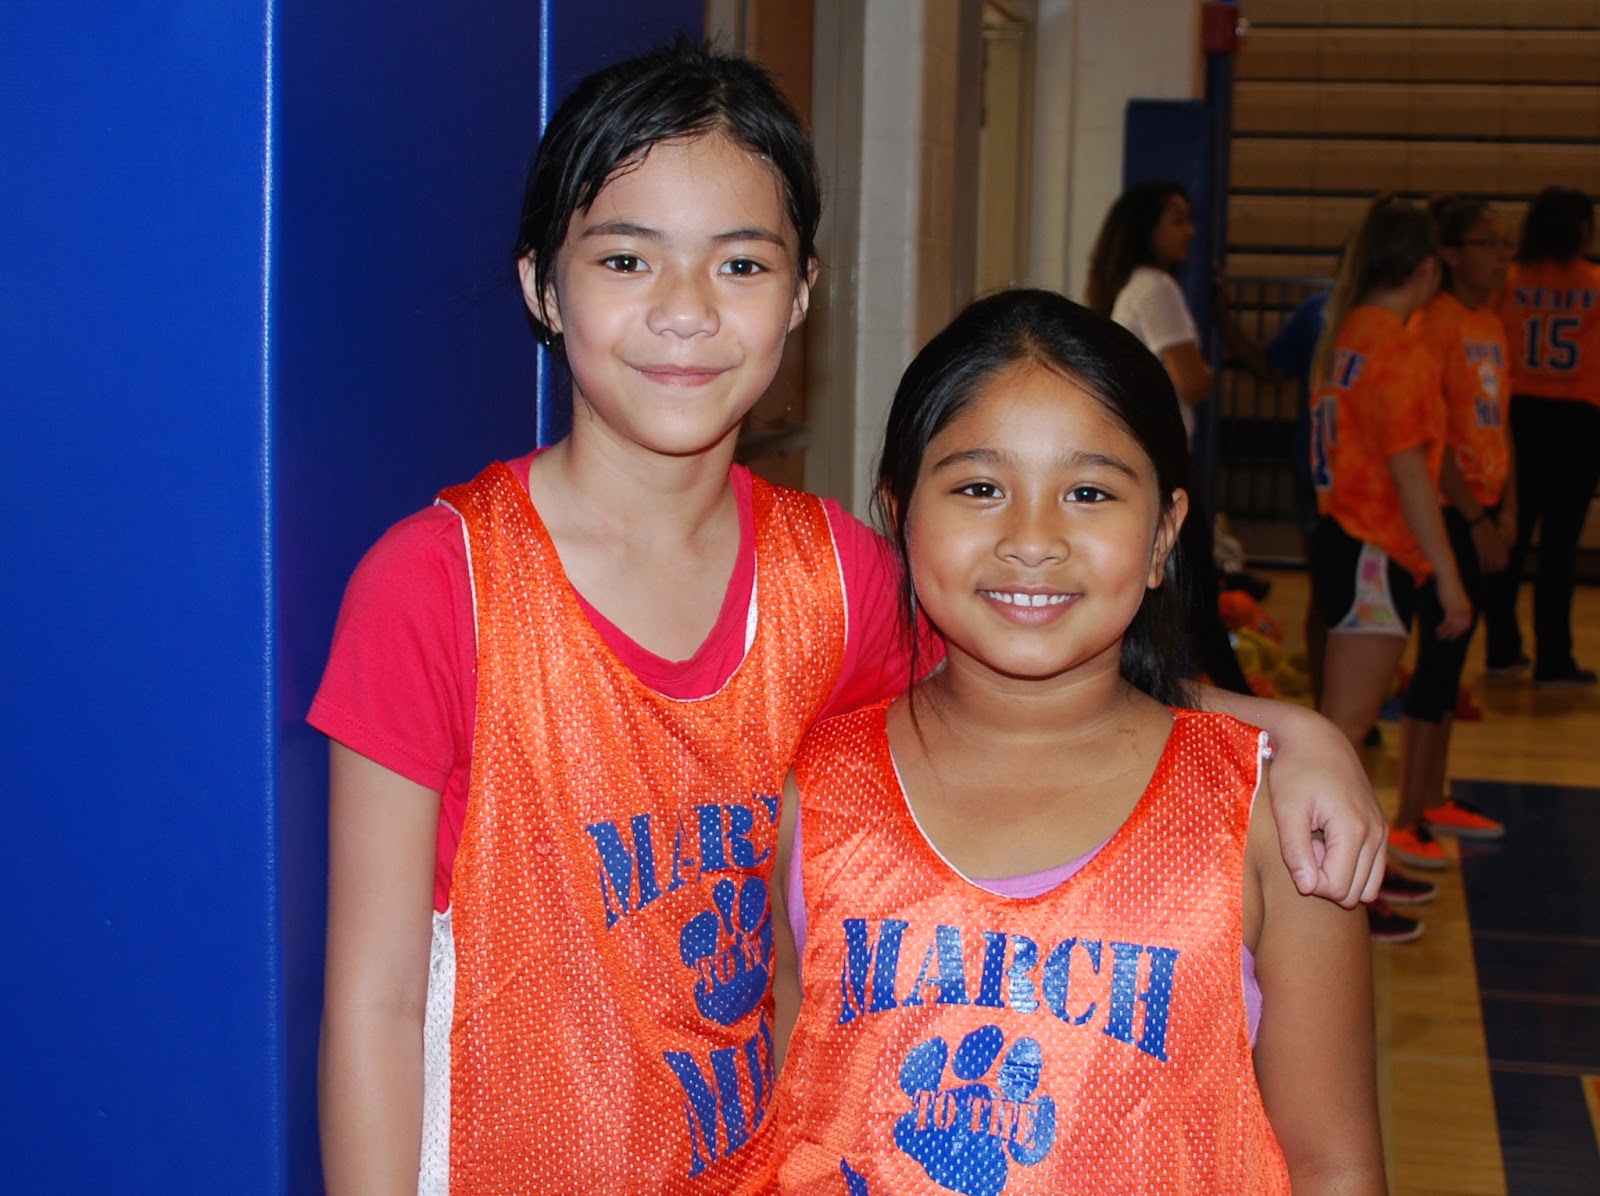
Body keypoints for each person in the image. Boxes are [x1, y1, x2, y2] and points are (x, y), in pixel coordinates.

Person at [312, 42, 1389, 1195]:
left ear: (801, 293)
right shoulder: (440, 581)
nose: (685, 311)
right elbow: (377, 997)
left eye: (739, 263)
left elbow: (1043, 669)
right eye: (626, 258)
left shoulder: (838, 574)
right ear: (541, 285)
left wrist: (1285, 733)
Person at [769, 289, 1384, 1194]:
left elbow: (1334, 1163)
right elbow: (789, 1126)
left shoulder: (1275, 821)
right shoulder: (810, 795)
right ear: (899, 512)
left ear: (1165, 533)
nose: (1033, 540)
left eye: (1089, 493)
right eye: (980, 488)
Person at [1308, 195, 1473, 944]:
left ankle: (1355, 872)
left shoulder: (1347, 334)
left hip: (1345, 541)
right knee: (1346, 727)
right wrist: (1449, 574)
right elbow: (1409, 474)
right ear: (1429, 269)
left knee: (1344, 723)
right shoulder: (1398, 350)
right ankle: (1336, 885)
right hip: (1373, 550)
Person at [1085, 180, 1250, 695]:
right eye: (1177, 219)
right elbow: (1192, 382)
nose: (1190, 231)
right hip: (1162, 463)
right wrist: (1208, 371)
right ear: (1147, 228)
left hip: (1142, 460)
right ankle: (1242, 718)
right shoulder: (1156, 287)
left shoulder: (1131, 288)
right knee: (1198, 610)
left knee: (1176, 605)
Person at [1390, 196, 1515, 873]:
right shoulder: (1431, 325)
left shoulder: (1490, 322)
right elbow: (1429, 441)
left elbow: (1499, 420)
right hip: (1450, 512)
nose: (1502, 256)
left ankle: (1434, 797)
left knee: (1454, 662)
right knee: (1436, 664)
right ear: (1452, 253)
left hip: (1487, 512)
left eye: (1505, 243)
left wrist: (1508, 505)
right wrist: (1473, 517)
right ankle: (1407, 815)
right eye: (1488, 243)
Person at [1482, 186, 1600, 687]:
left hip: (1518, 417)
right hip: (1579, 421)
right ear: (1582, 229)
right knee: (1559, 548)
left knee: (1508, 541)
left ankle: (1502, 650)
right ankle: (1554, 658)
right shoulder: (1595, 283)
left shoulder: (1508, 281)